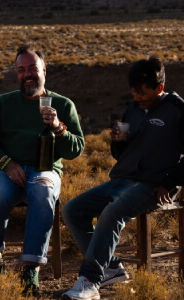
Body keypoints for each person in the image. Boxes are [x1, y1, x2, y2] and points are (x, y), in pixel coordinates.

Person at [61, 56, 184, 300]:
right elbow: (120, 154)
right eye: (134, 93)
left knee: (112, 213)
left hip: (153, 185)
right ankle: (112, 268)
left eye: (142, 94)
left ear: (159, 88)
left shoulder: (178, 110)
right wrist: (117, 141)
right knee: (72, 210)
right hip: (121, 179)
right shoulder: (133, 109)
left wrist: (170, 183)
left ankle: (89, 280)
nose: (137, 98)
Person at [0, 42, 84, 294]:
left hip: (45, 170)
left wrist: (58, 127)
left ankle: (30, 270)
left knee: (43, 191)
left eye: (32, 68)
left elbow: (75, 149)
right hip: (7, 169)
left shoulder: (63, 104)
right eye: (21, 70)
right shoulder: (3, 104)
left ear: (44, 70)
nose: (27, 75)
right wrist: (6, 163)